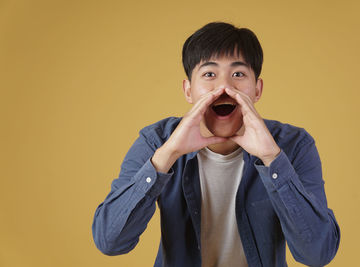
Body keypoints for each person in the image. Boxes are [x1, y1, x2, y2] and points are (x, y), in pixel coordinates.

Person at [92, 22, 340, 267]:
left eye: (238, 74)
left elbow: (317, 254)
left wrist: (272, 159)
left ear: (257, 89)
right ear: (188, 90)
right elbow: (110, 242)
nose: (224, 88)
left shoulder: (294, 145)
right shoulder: (157, 141)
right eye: (209, 74)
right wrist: (165, 158)